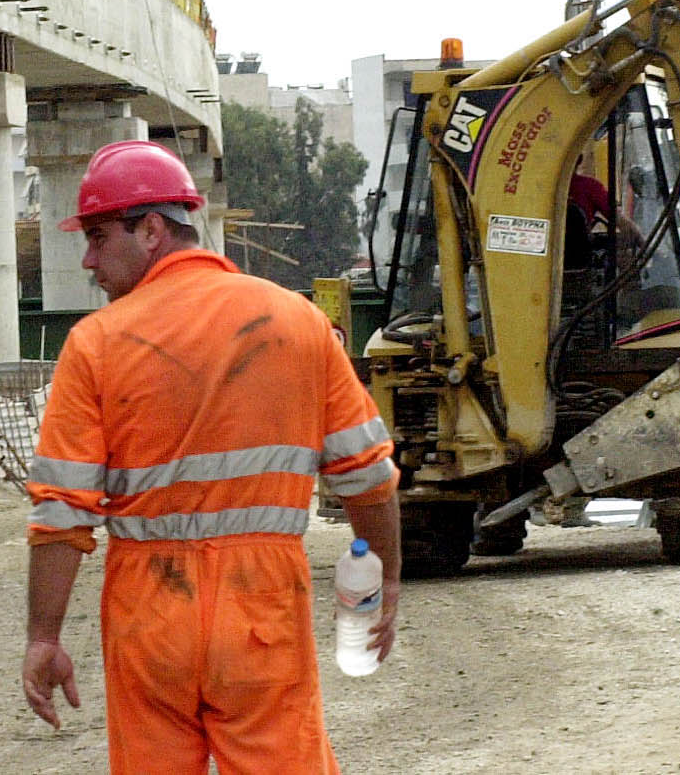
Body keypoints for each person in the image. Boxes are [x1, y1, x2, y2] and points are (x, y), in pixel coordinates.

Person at [22, 140, 401, 774]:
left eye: (96, 237)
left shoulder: (95, 344)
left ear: (150, 230)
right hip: (263, 608)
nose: (88, 260)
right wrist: (386, 575)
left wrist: (44, 637)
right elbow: (367, 477)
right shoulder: (298, 322)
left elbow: (62, 512)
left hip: (148, 618)